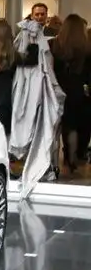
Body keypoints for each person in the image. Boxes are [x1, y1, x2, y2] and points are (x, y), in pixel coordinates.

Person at [0, 19, 38, 136]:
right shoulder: (9, 54)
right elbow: (31, 60)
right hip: (2, 103)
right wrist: (33, 43)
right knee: (3, 137)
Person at [50, 14, 91, 173]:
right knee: (80, 124)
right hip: (81, 91)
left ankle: (68, 155)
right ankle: (78, 155)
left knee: (67, 125)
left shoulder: (55, 45)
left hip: (60, 89)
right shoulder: (86, 47)